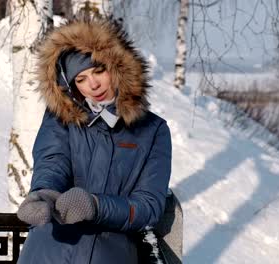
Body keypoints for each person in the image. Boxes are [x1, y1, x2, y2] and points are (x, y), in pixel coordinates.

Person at [16, 19, 172, 264]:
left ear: (118, 67)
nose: (93, 84)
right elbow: (53, 163)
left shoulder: (153, 130)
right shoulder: (60, 117)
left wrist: (97, 206)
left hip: (109, 254)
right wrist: (44, 193)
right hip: (49, 250)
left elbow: (148, 206)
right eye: (80, 79)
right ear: (72, 86)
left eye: (99, 71)